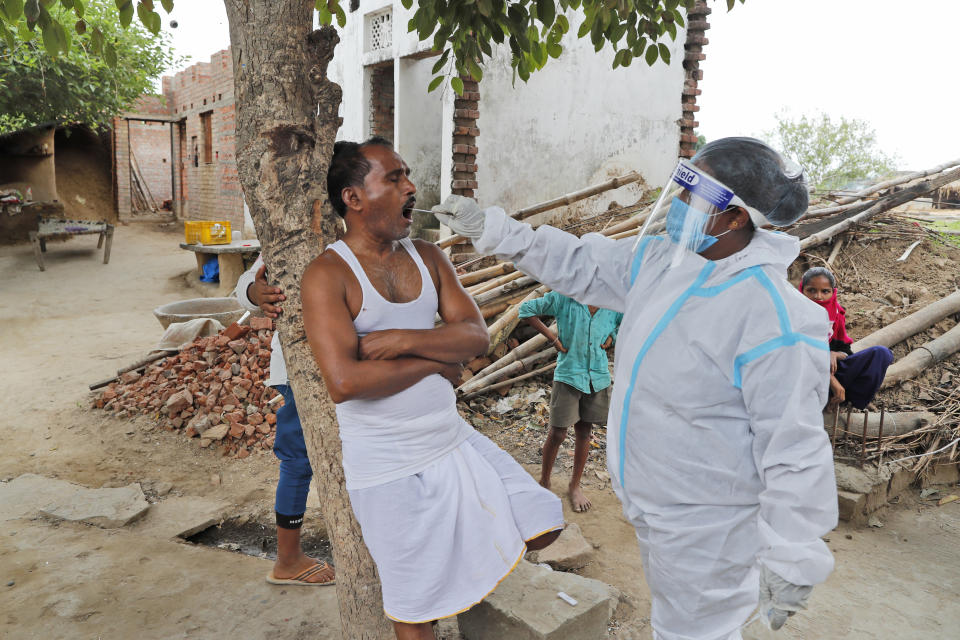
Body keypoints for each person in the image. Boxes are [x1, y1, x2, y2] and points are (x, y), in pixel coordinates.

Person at [434, 137, 838, 639]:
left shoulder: (773, 317)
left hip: (708, 526)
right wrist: (493, 230)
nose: (676, 206)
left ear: (735, 219)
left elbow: (793, 446)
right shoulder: (666, 263)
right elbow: (579, 263)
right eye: (681, 187)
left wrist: (793, 554)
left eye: (692, 197)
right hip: (656, 504)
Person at [300, 137, 562, 640]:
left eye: (406, 175)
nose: (410, 186)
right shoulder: (328, 274)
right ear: (353, 198)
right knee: (416, 608)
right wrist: (435, 361)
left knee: (541, 521)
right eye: (394, 178)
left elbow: (475, 336)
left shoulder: (427, 255)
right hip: (386, 464)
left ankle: (461, 573)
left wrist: (403, 342)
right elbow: (345, 381)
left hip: (450, 439)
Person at [235, 259, 336, 587]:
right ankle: (288, 560)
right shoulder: (289, 228)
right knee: (298, 458)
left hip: (352, 360)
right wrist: (255, 291)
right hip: (300, 366)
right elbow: (247, 284)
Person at [518, 292, 622, 512]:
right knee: (557, 433)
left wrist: (612, 335)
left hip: (597, 376)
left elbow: (624, 324)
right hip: (568, 375)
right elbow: (525, 310)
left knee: (585, 432)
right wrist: (553, 338)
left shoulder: (612, 302)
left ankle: (574, 486)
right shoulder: (564, 297)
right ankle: (544, 483)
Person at [799, 266, 894, 409]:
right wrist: (830, 377)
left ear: (833, 292)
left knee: (881, 354)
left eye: (825, 291)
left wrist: (834, 354)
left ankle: (847, 402)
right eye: (811, 290)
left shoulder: (836, 314)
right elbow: (794, 355)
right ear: (802, 291)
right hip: (799, 377)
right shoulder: (792, 314)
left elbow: (846, 351)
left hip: (827, 375)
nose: (818, 296)